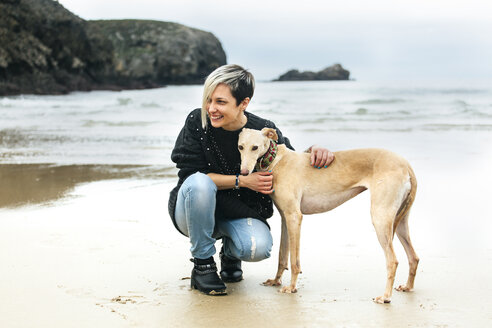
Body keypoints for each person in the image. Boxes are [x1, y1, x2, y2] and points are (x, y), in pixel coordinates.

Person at [168, 64, 334, 295]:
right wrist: (242, 181)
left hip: (239, 212)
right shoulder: (198, 121)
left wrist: (315, 151)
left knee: (257, 248)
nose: (211, 108)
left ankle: (231, 253)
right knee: (199, 183)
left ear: (243, 103)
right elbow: (189, 175)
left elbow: (290, 162)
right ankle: (203, 264)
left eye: (221, 102)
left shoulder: (262, 130)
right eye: (209, 100)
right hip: (193, 210)